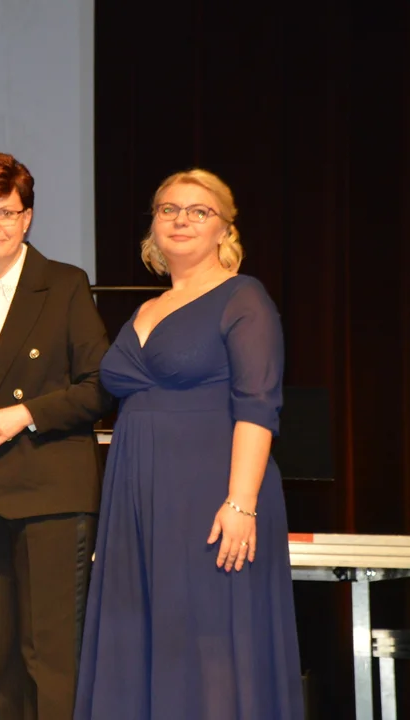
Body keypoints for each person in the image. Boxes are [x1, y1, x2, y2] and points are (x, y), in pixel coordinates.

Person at [74, 169, 304, 719]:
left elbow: (258, 405)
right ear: (152, 226)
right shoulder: (147, 309)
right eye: (168, 209)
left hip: (211, 498)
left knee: (211, 644)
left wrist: (240, 504)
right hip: (138, 500)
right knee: (145, 643)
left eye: (199, 211)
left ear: (225, 229)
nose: (181, 220)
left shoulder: (243, 297)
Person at [0, 152, 113, 719]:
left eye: (5, 212)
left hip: (51, 496)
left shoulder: (64, 285)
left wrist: (25, 413)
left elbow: (99, 387)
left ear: (27, 217)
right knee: (3, 665)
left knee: (52, 663)